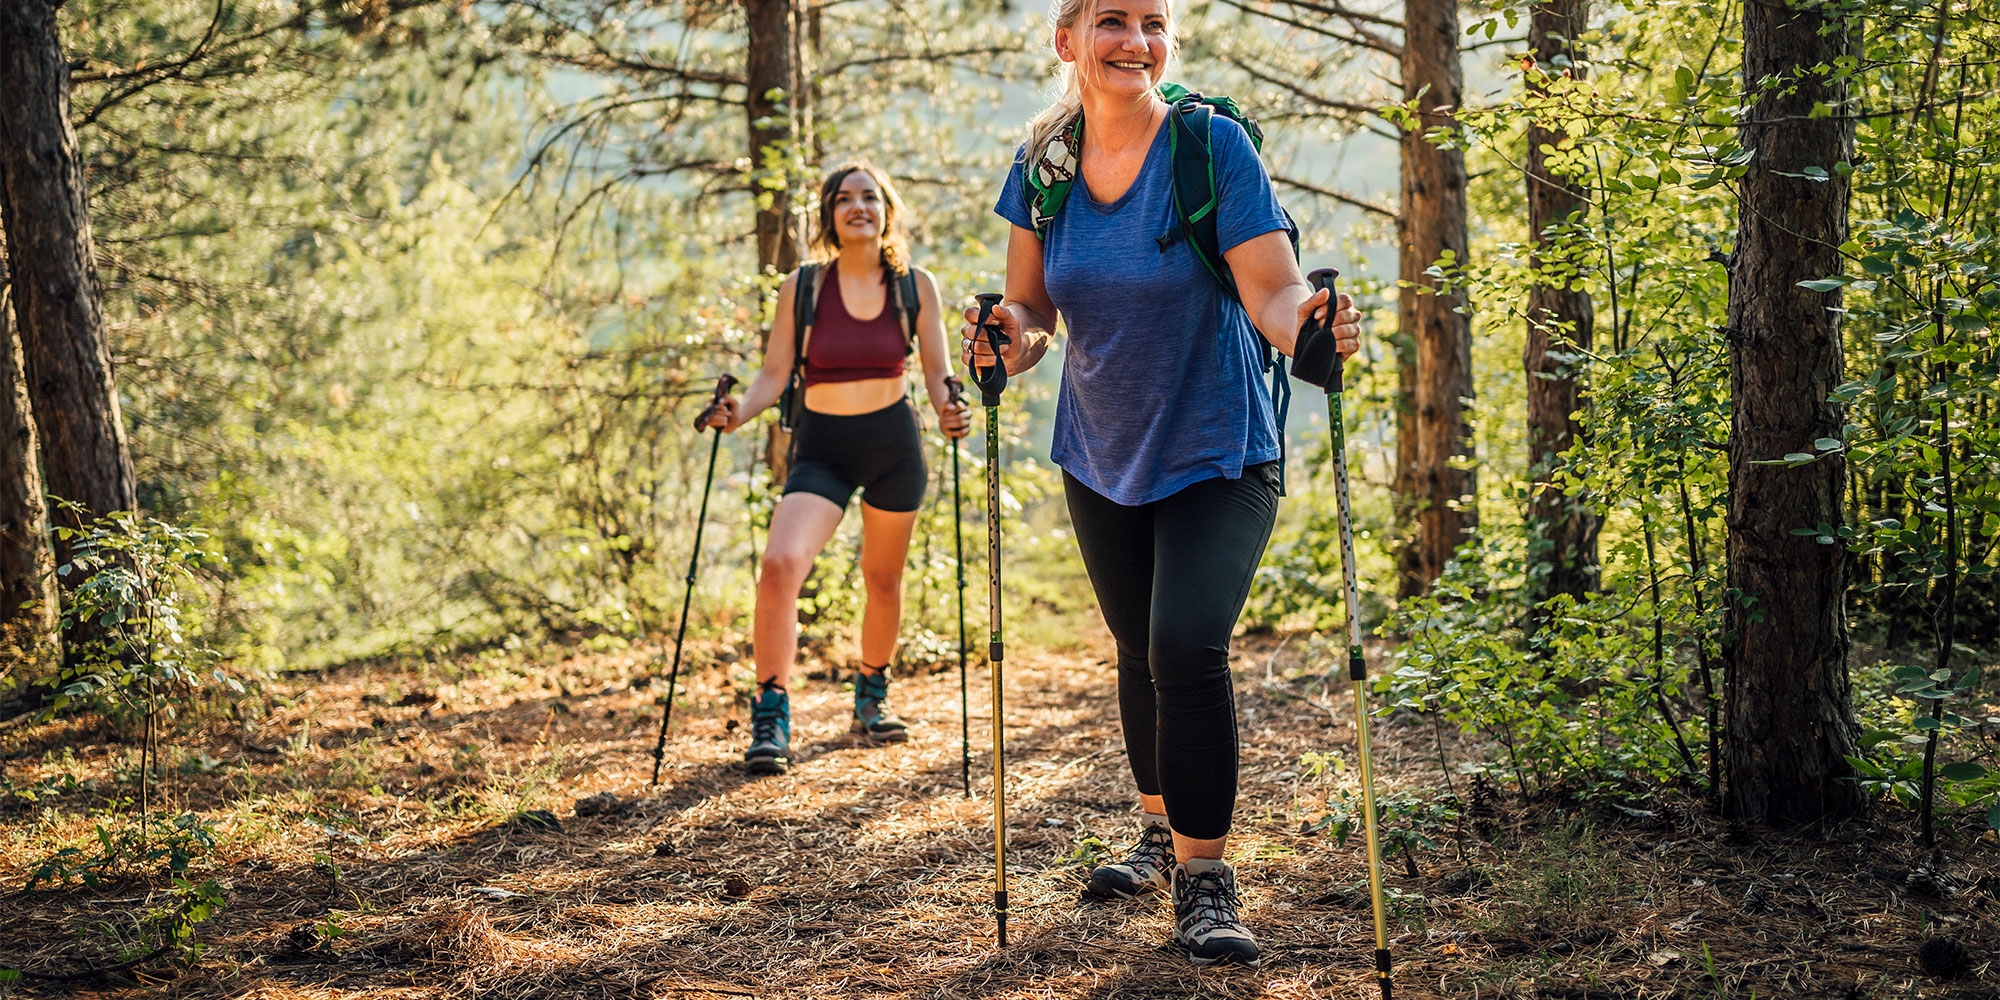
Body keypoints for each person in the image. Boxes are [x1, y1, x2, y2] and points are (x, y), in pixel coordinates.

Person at [963, 0, 1363, 968]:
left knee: (1183, 643)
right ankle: (1153, 829)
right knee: (1135, 649)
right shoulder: (1044, 162)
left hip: (1218, 444)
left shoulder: (1208, 147)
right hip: (1099, 448)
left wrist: (1306, 329)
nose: (1134, 41)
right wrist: (1005, 340)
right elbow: (1031, 305)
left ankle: (1204, 879)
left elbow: (1267, 287)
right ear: (1066, 39)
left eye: (1151, 21)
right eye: (1110, 20)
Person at [706, 162, 971, 777]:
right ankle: (771, 712)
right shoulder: (802, 286)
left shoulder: (915, 286)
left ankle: (871, 698)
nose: (859, 207)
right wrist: (735, 413)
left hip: (892, 447)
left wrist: (950, 413)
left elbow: (935, 376)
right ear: (828, 215)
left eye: (870, 198)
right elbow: (774, 376)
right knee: (779, 565)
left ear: (886, 211)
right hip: (822, 447)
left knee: (882, 578)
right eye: (844, 199)